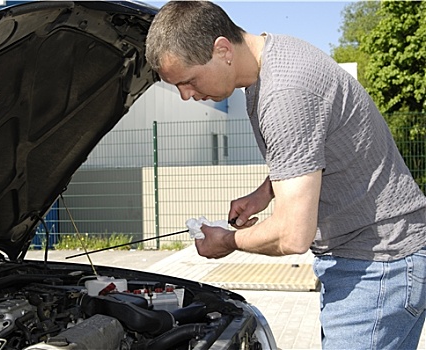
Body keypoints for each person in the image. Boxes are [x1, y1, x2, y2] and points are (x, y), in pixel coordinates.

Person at [145, 1, 426, 349]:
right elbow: (311, 151)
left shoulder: (284, 94)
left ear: (222, 50)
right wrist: (264, 194)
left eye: (187, 81)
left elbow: (293, 236)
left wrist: (228, 242)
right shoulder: (275, 60)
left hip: (377, 265)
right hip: (380, 257)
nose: (186, 96)